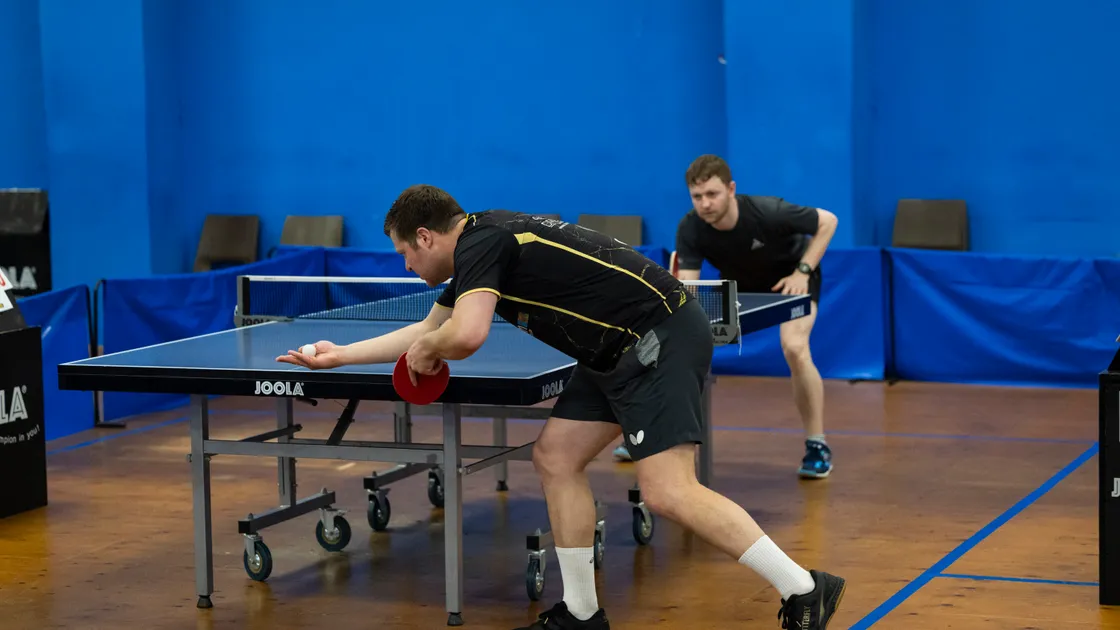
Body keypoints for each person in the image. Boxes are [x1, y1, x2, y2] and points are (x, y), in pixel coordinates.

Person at [277, 184, 846, 629]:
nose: (406, 267)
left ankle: (802, 587)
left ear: (425, 236)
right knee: (554, 457)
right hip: (611, 352)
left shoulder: (483, 242)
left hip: (659, 337)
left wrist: (431, 348)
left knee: (668, 491)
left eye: (404, 254)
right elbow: (430, 327)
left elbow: (465, 336)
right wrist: (340, 356)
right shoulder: (481, 241)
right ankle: (581, 612)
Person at [612, 154, 839, 480]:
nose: (705, 203)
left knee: (794, 347)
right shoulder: (691, 227)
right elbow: (687, 289)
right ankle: (648, 434)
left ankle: (817, 444)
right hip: (739, 288)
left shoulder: (768, 211)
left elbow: (828, 220)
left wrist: (804, 270)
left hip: (792, 281)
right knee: (672, 344)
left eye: (712, 194)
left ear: (731, 189)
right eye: (697, 196)